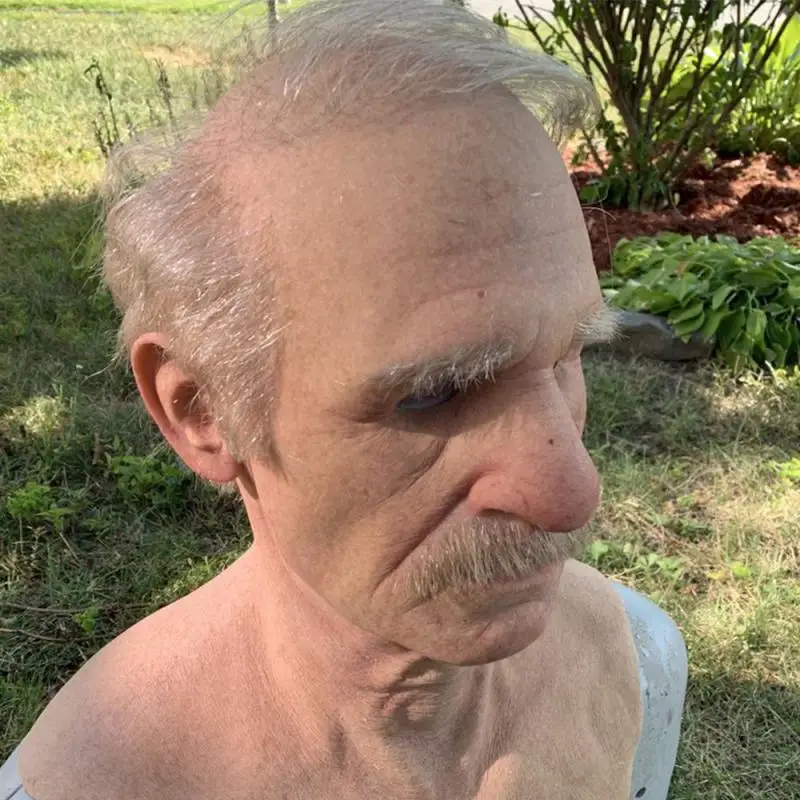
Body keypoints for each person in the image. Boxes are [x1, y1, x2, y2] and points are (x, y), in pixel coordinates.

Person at [1, 1, 687, 798]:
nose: (573, 494)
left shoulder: (637, 661)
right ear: (202, 411)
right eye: (434, 392)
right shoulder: (93, 784)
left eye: (569, 354)